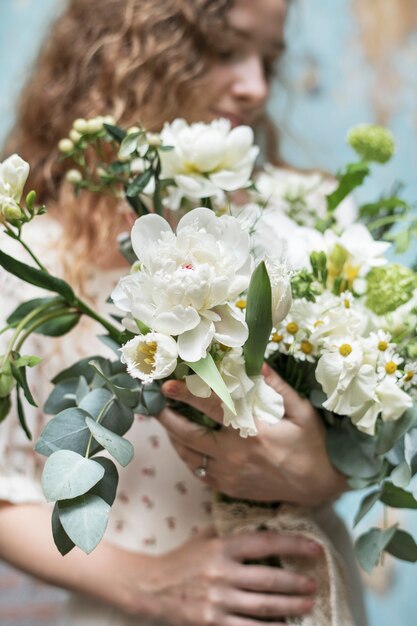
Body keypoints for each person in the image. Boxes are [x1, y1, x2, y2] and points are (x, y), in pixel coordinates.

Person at [0, 1, 367, 625]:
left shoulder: (304, 222)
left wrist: (322, 476)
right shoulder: (31, 255)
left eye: (268, 60)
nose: (254, 86)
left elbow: (366, 435)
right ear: (132, 50)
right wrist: (148, 584)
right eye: (225, 49)